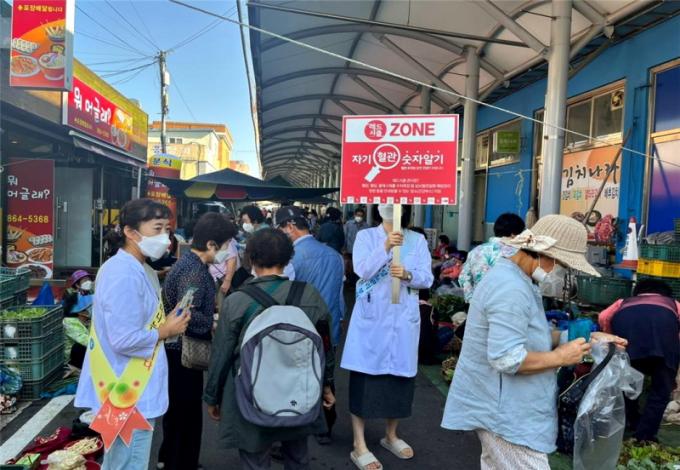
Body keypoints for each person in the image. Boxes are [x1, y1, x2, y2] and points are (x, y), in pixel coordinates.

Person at [441, 215, 627, 469]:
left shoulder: (519, 280)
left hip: (507, 408)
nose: (563, 274)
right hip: (505, 415)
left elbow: (532, 335)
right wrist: (560, 357)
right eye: (564, 266)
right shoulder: (511, 288)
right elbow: (506, 358)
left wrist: (585, 339)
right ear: (545, 255)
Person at [204, 229, 336, 470]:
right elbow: (325, 344)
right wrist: (326, 384)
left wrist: (213, 396)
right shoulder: (309, 294)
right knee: (297, 455)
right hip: (299, 389)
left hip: (249, 390)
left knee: (254, 457)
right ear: (288, 259)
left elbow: (221, 353)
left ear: (251, 259)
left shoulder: (237, 301)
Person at [75, 199, 190, 470]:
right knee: (128, 462)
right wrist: (166, 330)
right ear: (130, 231)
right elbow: (124, 339)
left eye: (167, 230)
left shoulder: (138, 268)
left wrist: (167, 323)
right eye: (157, 228)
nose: (166, 238)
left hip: (126, 387)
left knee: (121, 461)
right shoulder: (123, 274)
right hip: (126, 388)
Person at [341, 204, 434, 470]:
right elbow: (361, 270)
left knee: (399, 380)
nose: (390, 207)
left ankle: (391, 435)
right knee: (364, 380)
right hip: (372, 319)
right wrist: (385, 246)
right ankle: (359, 444)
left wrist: (408, 275)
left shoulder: (417, 240)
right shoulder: (366, 236)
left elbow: (427, 279)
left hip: (403, 318)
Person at [157, 213, 237, 470]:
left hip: (177, 350)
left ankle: (170, 458)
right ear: (211, 244)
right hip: (182, 352)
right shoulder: (194, 272)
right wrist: (213, 323)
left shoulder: (190, 264)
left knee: (179, 413)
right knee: (186, 413)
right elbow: (184, 314)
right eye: (226, 245)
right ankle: (181, 462)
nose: (228, 252)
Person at [275, 206, 345, 445]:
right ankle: (325, 428)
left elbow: (284, 293)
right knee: (327, 375)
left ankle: (293, 430)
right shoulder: (334, 255)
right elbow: (340, 295)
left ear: (290, 227)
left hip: (300, 327)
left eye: (281, 228)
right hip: (329, 327)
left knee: (296, 378)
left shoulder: (291, 258)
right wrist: (338, 321)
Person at [599, 278, 680, 442]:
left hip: (629, 347)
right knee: (660, 392)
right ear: (665, 294)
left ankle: (632, 422)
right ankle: (644, 437)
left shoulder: (622, 303)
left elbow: (603, 317)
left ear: (637, 293)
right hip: (664, 350)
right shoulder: (674, 304)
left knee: (627, 387)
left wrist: (612, 335)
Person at [458, 212, 526, 302]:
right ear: (513, 234)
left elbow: (463, 278)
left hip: (478, 304)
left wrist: (471, 299)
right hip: (508, 304)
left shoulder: (476, 251)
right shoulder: (517, 253)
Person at [63, 293, 93, 371]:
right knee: (79, 347)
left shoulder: (84, 321)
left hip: (80, 355)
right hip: (70, 359)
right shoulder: (69, 322)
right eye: (89, 306)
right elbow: (86, 341)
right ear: (80, 311)